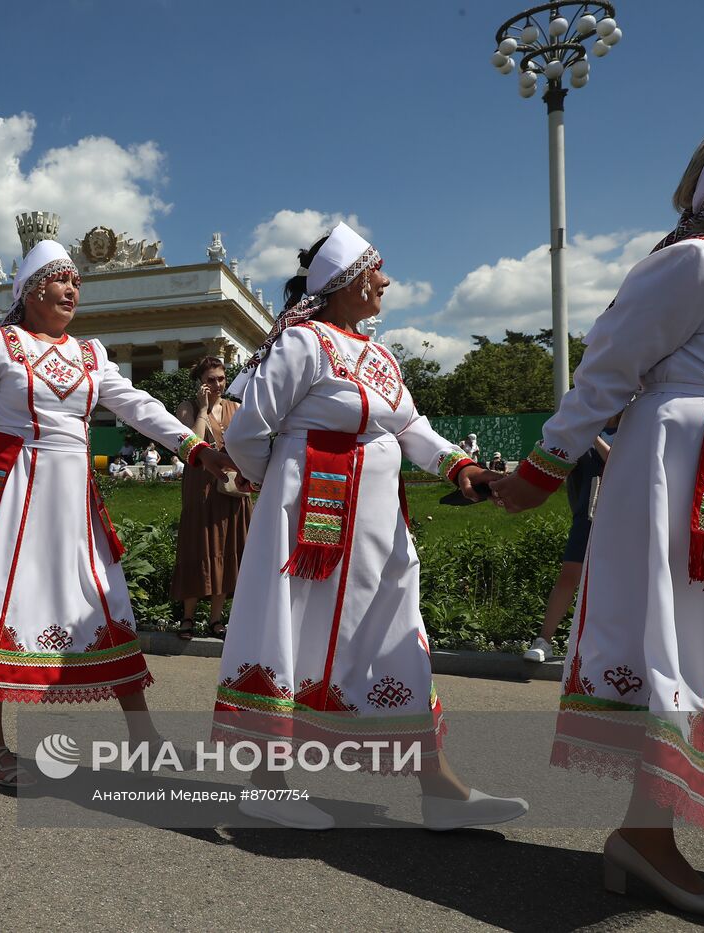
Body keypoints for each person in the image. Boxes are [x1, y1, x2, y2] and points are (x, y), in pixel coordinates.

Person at [216, 222, 527, 831]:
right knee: (293, 626)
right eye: (376, 271)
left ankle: (439, 790)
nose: (385, 281)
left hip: (379, 527)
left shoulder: (381, 356)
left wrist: (460, 465)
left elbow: (411, 429)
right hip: (312, 525)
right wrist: (282, 487)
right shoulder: (303, 343)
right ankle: (266, 784)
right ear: (349, 282)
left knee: (398, 630)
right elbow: (247, 432)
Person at [490, 132, 704, 915]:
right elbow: (606, 368)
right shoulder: (696, 261)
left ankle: (648, 833)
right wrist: (543, 467)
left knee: (699, 645)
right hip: (678, 466)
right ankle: (646, 839)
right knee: (672, 641)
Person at [0, 238, 237, 787]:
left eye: (77, 282)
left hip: (74, 495)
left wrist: (194, 450)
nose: (72, 289)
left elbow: (135, 404)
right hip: (14, 492)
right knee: (1, 600)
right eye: (61, 280)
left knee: (104, 596)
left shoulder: (90, 353)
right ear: (30, 291)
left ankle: (145, 738)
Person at [523, 417, 617, 662]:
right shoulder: (583, 436)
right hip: (588, 517)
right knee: (569, 576)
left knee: (621, 583)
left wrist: (592, 435)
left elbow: (615, 461)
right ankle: (544, 640)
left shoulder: (636, 429)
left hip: (627, 520)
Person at [171, 356, 252, 640]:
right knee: (198, 547)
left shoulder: (236, 408)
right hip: (201, 488)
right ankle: (188, 617)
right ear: (200, 382)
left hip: (231, 485)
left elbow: (249, 443)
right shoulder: (188, 408)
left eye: (221, 378)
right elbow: (190, 444)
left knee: (227, 549)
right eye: (210, 380)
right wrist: (203, 410)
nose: (217, 384)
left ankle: (216, 619)